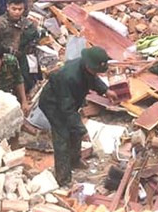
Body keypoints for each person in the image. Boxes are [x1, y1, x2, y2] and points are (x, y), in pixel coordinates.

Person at [38, 47, 110, 187]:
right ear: (89, 66)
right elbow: (67, 110)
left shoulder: (86, 66)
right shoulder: (68, 77)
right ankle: (63, 178)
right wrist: (82, 130)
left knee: (75, 131)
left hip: (68, 101)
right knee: (62, 136)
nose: (96, 73)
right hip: (53, 104)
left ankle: (75, 160)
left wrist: (106, 90)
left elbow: (93, 79)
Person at [0, 0, 44, 91]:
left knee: (28, 83)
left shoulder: (27, 23)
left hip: (24, 59)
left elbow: (36, 38)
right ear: (8, 7)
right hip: (5, 61)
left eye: (20, 9)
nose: (17, 12)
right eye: (14, 9)